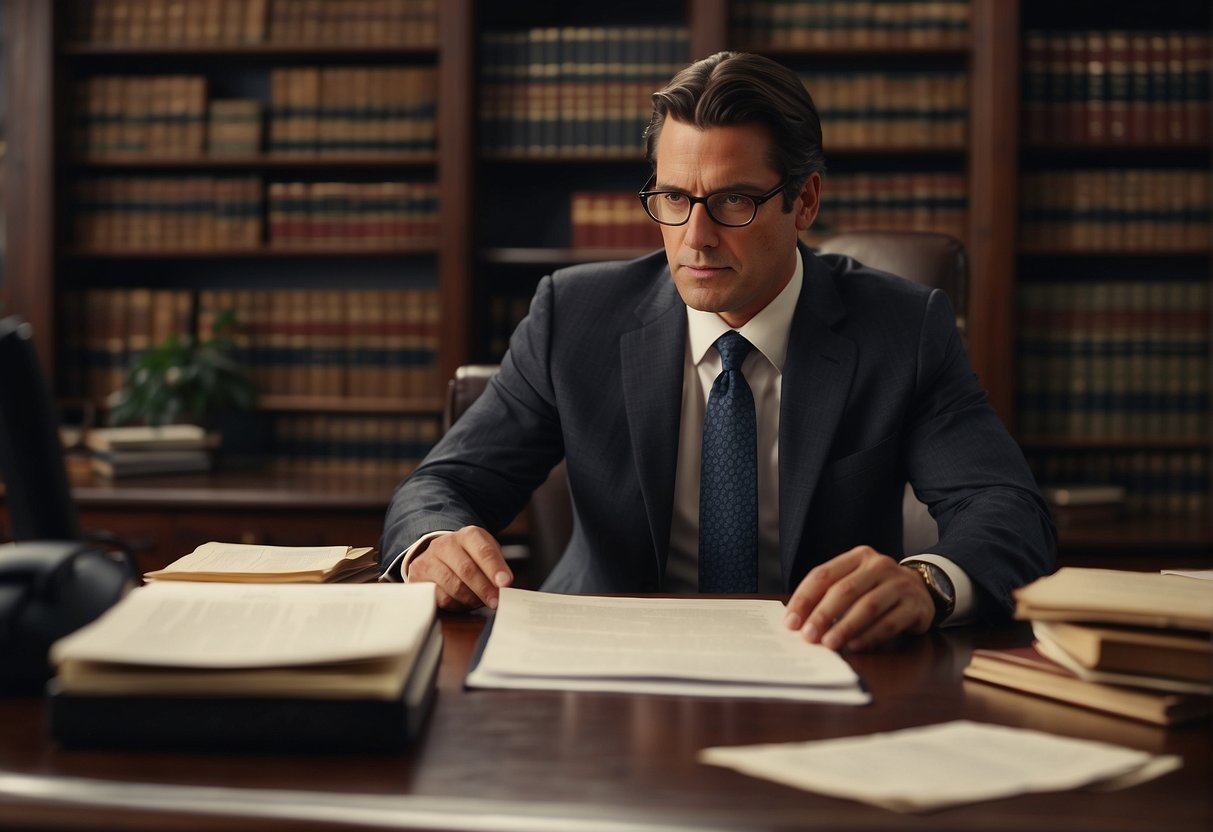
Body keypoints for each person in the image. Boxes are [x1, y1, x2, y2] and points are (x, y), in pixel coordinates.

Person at [381, 51, 1055, 652]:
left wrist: (929, 583)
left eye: (733, 200)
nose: (695, 238)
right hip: (600, 659)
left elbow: (1004, 511)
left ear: (804, 201)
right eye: (674, 196)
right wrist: (435, 545)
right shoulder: (573, 316)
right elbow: (443, 487)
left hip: (819, 655)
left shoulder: (901, 329)